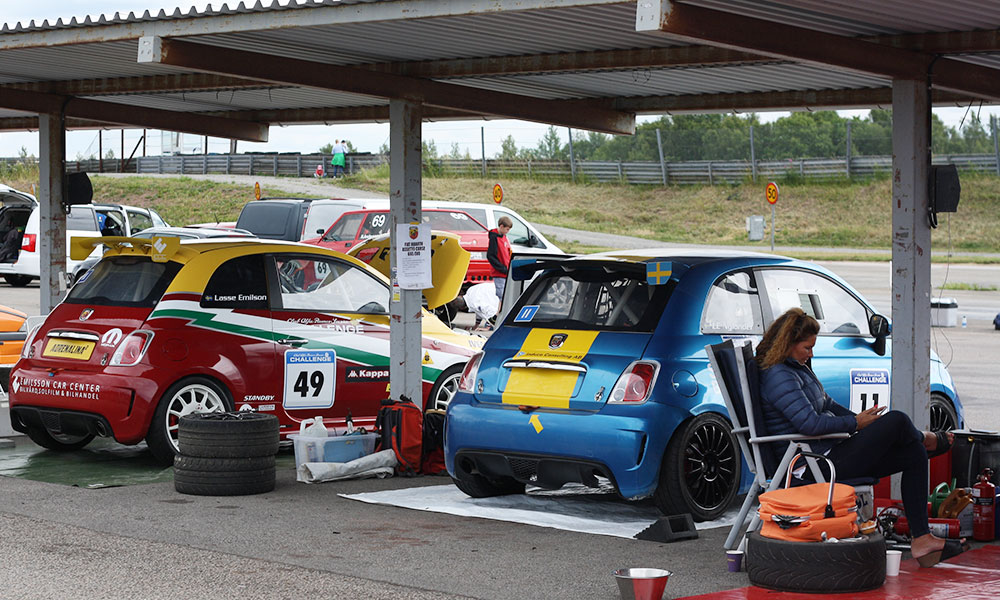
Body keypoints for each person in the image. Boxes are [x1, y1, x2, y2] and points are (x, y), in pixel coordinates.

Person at [756, 307, 967, 568]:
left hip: (828, 455)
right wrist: (856, 423)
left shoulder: (796, 368)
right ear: (788, 344)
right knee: (898, 420)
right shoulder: (778, 376)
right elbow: (809, 423)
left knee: (914, 454)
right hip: (812, 466)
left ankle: (921, 538)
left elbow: (827, 403)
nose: (811, 353)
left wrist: (863, 422)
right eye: (807, 347)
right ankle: (925, 438)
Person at [486, 216, 513, 325]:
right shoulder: (494, 238)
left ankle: (498, 316)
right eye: (507, 229)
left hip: (505, 271)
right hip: (500, 272)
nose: (507, 232)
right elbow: (491, 256)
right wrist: (502, 268)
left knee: (505, 296)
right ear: (501, 226)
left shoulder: (504, 237)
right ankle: (496, 317)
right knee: (502, 295)